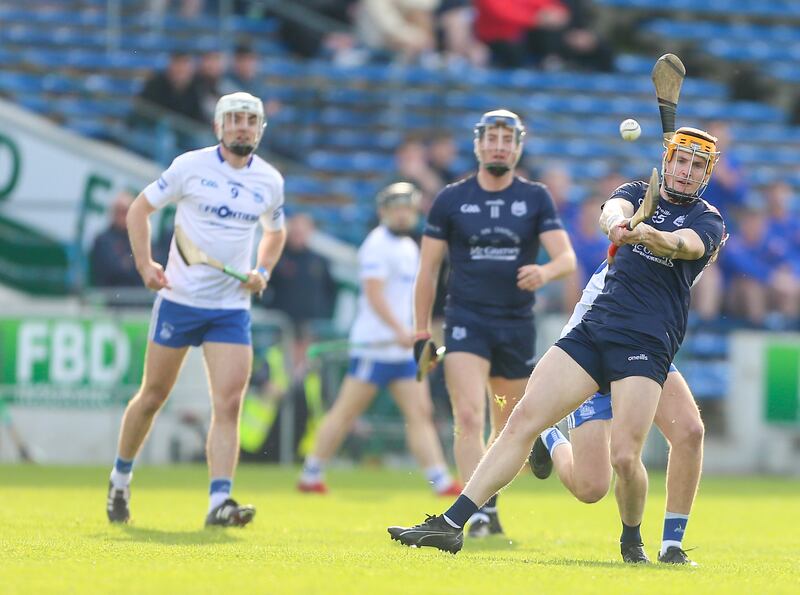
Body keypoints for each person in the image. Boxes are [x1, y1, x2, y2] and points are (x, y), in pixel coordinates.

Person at [388, 126, 725, 563]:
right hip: (595, 329)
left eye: (696, 165)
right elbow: (612, 213)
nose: (685, 171)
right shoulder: (637, 191)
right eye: (681, 160)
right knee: (520, 419)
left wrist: (648, 236)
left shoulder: (708, 219)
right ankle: (452, 523)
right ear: (668, 160)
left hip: (645, 344)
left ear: (706, 173)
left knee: (622, 460)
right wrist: (621, 224)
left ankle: (638, 542)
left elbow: (685, 245)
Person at [105, 92, 287, 527]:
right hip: (180, 302)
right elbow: (139, 210)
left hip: (230, 308)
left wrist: (262, 268)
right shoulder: (190, 166)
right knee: (152, 397)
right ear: (218, 127)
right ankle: (120, 479)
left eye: (250, 120)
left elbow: (275, 234)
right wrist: (146, 264)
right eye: (235, 119)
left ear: (260, 129)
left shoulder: (270, 181)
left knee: (228, 404)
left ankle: (218, 503)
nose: (243, 126)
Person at [410, 109, 576, 537]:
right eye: (492, 138)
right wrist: (421, 331)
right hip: (465, 320)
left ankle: (508, 482)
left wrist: (545, 272)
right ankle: (479, 512)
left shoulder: (536, 197)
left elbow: (566, 258)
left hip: (516, 323)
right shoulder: (451, 198)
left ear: (518, 147)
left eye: (508, 139)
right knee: (468, 415)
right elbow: (427, 271)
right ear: (478, 144)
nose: (499, 145)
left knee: (509, 424)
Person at [528, 247, 726, 566]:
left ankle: (669, 545)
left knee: (689, 431)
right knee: (591, 488)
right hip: (591, 357)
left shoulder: (687, 259)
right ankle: (550, 436)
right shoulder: (646, 250)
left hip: (641, 354)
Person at [298, 183, 460, 496]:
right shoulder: (376, 245)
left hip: (402, 352)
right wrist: (399, 329)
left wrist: (415, 330)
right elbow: (373, 294)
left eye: (408, 209)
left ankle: (440, 480)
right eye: (396, 209)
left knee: (420, 413)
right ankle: (311, 473)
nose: (403, 215)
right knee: (346, 412)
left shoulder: (410, 248)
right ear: (383, 212)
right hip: (376, 347)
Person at [89, 191, 142, 288]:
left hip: (138, 297)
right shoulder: (103, 240)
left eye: (128, 211)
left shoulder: (140, 239)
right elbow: (112, 269)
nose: (125, 216)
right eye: (121, 211)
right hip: (111, 296)